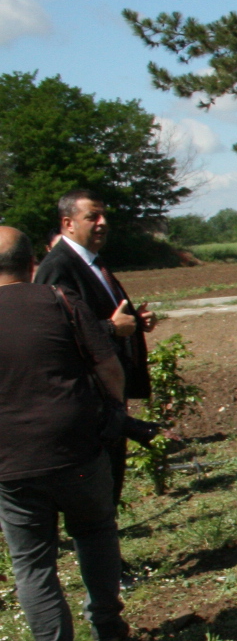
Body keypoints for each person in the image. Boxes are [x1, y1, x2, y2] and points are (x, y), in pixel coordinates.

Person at [0, 227, 130, 641]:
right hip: (76, 447)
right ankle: (108, 627)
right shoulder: (59, 300)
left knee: (32, 564)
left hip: (11, 461)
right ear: (32, 262)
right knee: (95, 533)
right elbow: (108, 366)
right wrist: (116, 412)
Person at [34, 188, 158, 499]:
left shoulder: (93, 262)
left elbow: (93, 316)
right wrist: (112, 328)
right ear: (68, 223)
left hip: (109, 393)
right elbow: (54, 332)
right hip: (89, 397)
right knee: (96, 489)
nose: (103, 222)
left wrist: (134, 322)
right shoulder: (58, 266)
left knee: (111, 481)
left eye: (104, 216)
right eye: (92, 216)